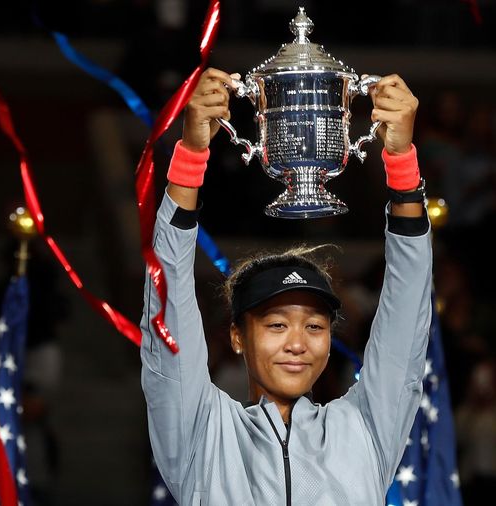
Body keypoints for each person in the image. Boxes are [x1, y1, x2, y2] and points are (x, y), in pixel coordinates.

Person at [141, 68, 430, 505]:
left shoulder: (365, 428)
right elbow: (169, 306)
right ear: (237, 335)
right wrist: (191, 156)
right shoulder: (202, 432)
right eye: (277, 325)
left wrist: (403, 164)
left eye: (314, 326)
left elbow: (405, 317)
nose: (298, 343)